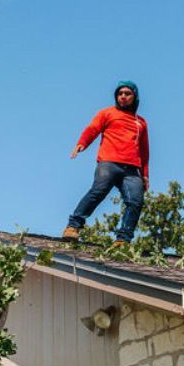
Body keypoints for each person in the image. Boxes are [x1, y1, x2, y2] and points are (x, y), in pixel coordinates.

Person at [62, 81, 150, 246]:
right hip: (109, 163)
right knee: (98, 191)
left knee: (136, 201)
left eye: (127, 93)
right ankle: (73, 227)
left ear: (135, 97)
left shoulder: (141, 123)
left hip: (131, 169)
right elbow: (93, 129)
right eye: (120, 93)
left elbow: (144, 150)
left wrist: (145, 175)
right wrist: (82, 143)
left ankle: (123, 239)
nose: (123, 96)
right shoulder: (107, 113)